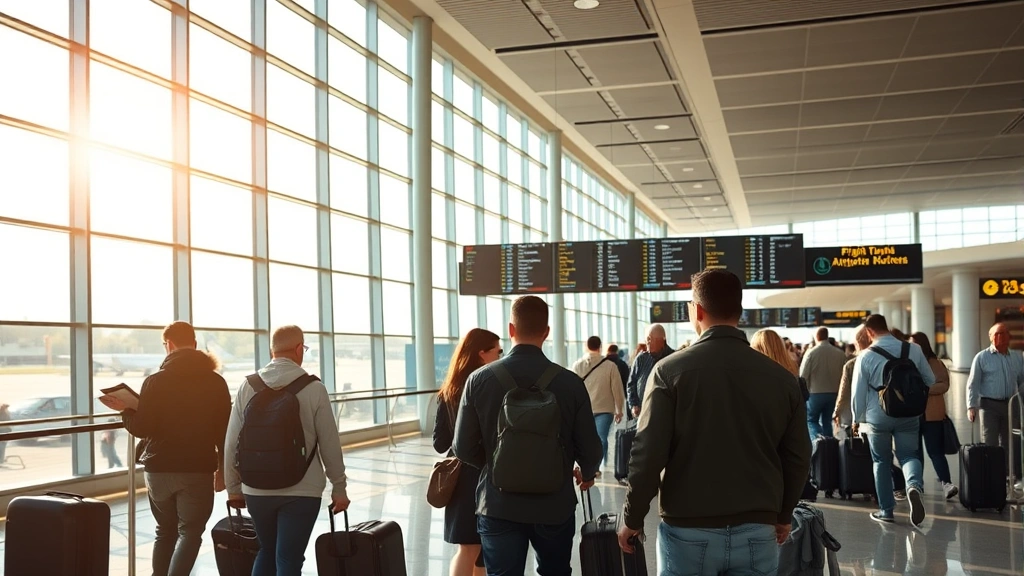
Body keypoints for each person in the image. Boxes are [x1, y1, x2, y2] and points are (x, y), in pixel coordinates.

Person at [617, 270, 811, 576]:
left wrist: (633, 517)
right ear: (740, 310)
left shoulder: (669, 373)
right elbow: (799, 456)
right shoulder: (782, 380)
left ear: (696, 309)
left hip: (688, 529)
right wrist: (784, 514)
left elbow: (648, 454)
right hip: (758, 527)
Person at [453, 295, 602, 576]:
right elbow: (590, 447)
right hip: (554, 505)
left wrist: (494, 463)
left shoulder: (479, 380)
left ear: (511, 330)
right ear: (546, 332)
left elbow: (461, 447)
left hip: (498, 504)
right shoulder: (570, 383)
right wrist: (588, 471)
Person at [100, 321, 231, 576]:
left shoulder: (155, 381)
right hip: (197, 468)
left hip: (159, 468)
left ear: (168, 345)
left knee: (165, 531)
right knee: (190, 533)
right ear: (194, 345)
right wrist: (224, 471)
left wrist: (126, 410)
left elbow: (142, 428)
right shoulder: (216, 382)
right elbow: (224, 433)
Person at [224, 326, 350, 576]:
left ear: (272, 350)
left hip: (256, 489)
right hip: (302, 491)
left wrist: (233, 488)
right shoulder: (314, 388)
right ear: (298, 349)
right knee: (288, 559)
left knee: (266, 551)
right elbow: (329, 442)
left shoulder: (247, 386)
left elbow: (231, 442)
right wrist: (339, 487)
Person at [851, 314, 935, 526]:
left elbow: (858, 393)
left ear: (869, 332)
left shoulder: (865, 355)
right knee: (908, 455)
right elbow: (930, 380)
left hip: (878, 416)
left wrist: (856, 419)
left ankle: (886, 511)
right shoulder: (913, 350)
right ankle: (913, 486)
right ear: (885, 327)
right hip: (909, 413)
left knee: (881, 461)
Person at [433, 328, 502, 576]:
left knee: (472, 549)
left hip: (459, 479)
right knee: (475, 549)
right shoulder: (488, 387)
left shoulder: (449, 390)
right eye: (498, 351)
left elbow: (439, 443)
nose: (501, 356)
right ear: (482, 354)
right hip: (481, 475)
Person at [966, 322, 1024, 483]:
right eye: (996, 334)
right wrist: (971, 406)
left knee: (1011, 442)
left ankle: (1010, 475)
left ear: (1009, 336)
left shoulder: (1017, 357)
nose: (1000, 337)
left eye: (1004, 333)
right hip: (989, 405)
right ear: (990, 337)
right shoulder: (982, 357)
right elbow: (973, 383)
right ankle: (991, 476)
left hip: (1011, 405)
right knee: (990, 442)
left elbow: (1021, 380)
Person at [909, 332, 958, 500]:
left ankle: (946, 483)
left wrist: (926, 389)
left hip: (932, 415)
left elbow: (944, 384)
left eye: (915, 344)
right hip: (912, 415)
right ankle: (917, 485)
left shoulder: (936, 363)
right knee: (915, 453)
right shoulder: (907, 363)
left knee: (935, 452)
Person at [572, 336, 625, 475]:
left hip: (584, 409)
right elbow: (617, 389)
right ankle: (599, 465)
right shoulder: (610, 366)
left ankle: (593, 466)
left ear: (586, 345)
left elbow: (572, 389)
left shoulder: (577, 365)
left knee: (585, 439)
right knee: (601, 438)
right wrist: (619, 410)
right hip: (605, 409)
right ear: (600, 346)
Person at [800, 327, 848, 439]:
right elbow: (845, 375)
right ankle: (829, 444)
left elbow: (803, 375)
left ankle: (818, 442)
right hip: (834, 393)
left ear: (816, 337)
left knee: (811, 420)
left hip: (815, 393)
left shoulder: (811, 353)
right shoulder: (840, 353)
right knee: (827, 421)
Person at [626, 325, 674, 418]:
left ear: (662, 340)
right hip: (643, 413)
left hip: (667, 414)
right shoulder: (641, 359)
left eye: (650, 339)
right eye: (647, 339)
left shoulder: (673, 358)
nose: (647, 342)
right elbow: (631, 384)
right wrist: (633, 405)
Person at [834, 325, 871, 433]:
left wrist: (837, 412)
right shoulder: (884, 359)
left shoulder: (851, 365)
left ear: (857, 343)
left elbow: (844, 392)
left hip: (861, 415)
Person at [605, 343, 631, 412]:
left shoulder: (602, 364)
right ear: (617, 351)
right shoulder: (622, 364)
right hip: (619, 394)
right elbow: (627, 380)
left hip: (604, 397)